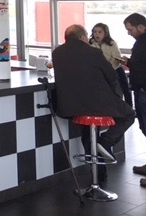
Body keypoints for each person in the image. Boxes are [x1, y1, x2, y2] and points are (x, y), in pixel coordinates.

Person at [52, 24, 135, 183]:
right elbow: (112, 76)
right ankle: (105, 142)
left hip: (69, 105)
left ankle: (99, 173)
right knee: (129, 115)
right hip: (97, 102)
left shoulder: (57, 53)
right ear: (83, 37)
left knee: (88, 134)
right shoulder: (93, 52)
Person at [124, 13, 146, 184]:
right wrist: (129, 63)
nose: (129, 33)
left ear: (141, 27)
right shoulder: (140, 42)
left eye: (130, 29)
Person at [90, 23, 132, 106]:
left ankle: (129, 107)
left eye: (100, 32)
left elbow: (116, 57)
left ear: (105, 33)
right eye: (95, 32)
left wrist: (108, 69)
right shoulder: (91, 44)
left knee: (125, 89)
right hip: (100, 71)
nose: (97, 34)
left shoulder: (111, 43)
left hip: (116, 69)